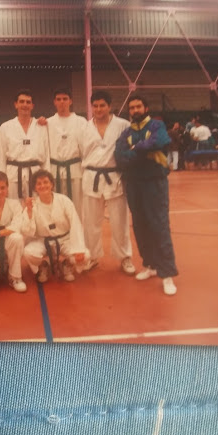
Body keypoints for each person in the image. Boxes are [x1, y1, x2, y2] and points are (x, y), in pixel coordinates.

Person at [115, 95, 178, 296]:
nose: (135, 110)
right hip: (134, 184)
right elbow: (120, 156)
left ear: (146, 107)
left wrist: (135, 150)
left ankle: (166, 274)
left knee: (158, 225)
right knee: (140, 226)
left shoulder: (157, 126)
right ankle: (149, 265)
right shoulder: (126, 133)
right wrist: (142, 151)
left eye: (138, 106)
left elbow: (158, 142)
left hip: (154, 183)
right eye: (132, 108)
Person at [80, 90, 135, 275]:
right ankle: (92, 257)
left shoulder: (123, 125)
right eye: (95, 105)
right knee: (90, 223)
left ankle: (125, 257)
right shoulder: (84, 127)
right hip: (91, 177)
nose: (98, 109)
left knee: (120, 221)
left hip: (115, 178)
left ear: (109, 106)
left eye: (102, 105)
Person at [22, 170, 89, 283]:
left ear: (52, 184)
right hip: (43, 241)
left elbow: (75, 223)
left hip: (65, 240)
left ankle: (67, 264)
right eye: (39, 183)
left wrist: (79, 248)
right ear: (34, 187)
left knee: (85, 255)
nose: (43, 186)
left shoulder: (64, 200)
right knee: (29, 253)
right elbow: (27, 231)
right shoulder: (32, 205)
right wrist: (29, 211)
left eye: (45, 182)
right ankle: (43, 265)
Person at [0, 89, 50, 200]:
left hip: (36, 175)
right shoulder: (6, 127)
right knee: (14, 209)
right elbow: (1, 157)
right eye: (22, 101)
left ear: (32, 105)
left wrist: (47, 178)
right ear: (16, 104)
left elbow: (46, 156)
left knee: (37, 208)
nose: (25, 105)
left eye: (28, 102)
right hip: (13, 175)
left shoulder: (41, 126)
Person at [40, 88, 87, 216]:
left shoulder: (81, 122)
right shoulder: (47, 122)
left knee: (77, 208)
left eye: (65, 99)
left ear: (70, 101)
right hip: (54, 171)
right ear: (54, 102)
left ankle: (76, 235)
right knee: (55, 208)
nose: (62, 102)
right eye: (59, 99)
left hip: (75, 170)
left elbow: (85, 149)